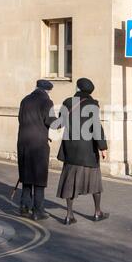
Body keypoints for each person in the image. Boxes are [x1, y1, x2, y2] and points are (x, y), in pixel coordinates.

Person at [56, 78, 109, 225]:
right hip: (88, 150)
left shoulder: (68, 102)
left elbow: (59, 123)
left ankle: (69, 215)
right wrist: (103, 147)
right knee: (95, 182)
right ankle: (97, 212)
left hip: (70, 149)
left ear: (78, 88)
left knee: (69, 182)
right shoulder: (93, 104)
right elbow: (96, 127)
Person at [17, 79, 58, 220]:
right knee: (39, 177)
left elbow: (20, 119)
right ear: (47, 90)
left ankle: (24, 206)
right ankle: (38, 210)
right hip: (38, 145)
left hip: (23, 142)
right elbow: (52, 123)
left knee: (26, 175)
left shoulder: (25, 100)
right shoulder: (47, 102)